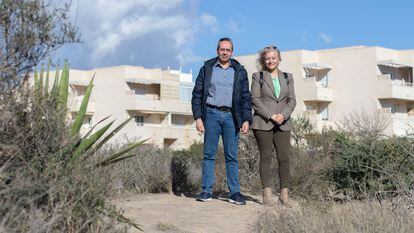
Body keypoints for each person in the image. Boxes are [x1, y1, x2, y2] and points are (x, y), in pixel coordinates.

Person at [191, 37, 252, 205]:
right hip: (211, 114)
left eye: (228, 50)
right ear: (217, 50)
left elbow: (246, 98)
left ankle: (235, 193)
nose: (225, 52)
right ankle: (206, 191)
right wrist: (198, 117)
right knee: (209, 154)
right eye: (222, 49)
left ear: (232, 52)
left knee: (232, 156)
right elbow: (197, 94)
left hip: (232, 117)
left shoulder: (240, 71)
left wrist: (246, 119)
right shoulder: (207, 68)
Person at [250, 45, 296, 206]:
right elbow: (255, 100)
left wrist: (283, 115)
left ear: (279, 58)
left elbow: (292, 100)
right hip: (263, 122)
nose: (271, 61)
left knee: (284, 158)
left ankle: (284, 195)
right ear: (264, 60)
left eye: (273, 58)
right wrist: (270, 115)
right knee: (266, 156)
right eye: (267, 58)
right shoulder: (258, 76)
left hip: (283, 123)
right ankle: (267, 194)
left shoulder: (288, 77)